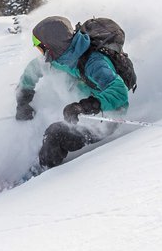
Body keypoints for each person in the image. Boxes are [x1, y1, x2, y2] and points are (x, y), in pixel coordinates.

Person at [15, 15, 129, 169]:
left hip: (108, 115)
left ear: (50, 45)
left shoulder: (94, 62)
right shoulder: (59, 58)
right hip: (85, 105)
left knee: (56, 134)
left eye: (38, 45)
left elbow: (119, 90)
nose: (39, 51)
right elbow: (32, 69)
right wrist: (23, 99)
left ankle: (42, 173)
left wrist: (84, 106)